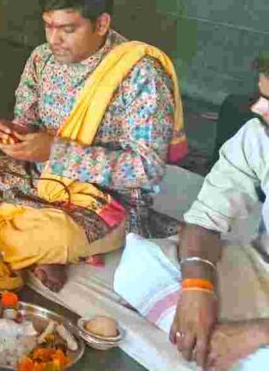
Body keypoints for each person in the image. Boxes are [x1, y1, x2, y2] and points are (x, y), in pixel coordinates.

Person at [0, 0, 186, 291]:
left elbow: (146, 170)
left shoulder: (140, 73)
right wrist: (14, 134)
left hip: (106, 199)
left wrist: (56, 152)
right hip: (37, 177)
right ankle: (36, 248)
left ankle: (39, 245)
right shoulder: (42, 59)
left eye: (68, 29)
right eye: (48, 26)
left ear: (101, 24)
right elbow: (27, 120)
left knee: (52, 234)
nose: (54, 39)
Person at [114, 57, 269, 371]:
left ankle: (231, 348)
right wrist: (197, 288)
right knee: (138, 263)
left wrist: (257, 333)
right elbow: (204, 219)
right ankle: (215, 343)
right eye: (263, 97)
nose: (258, 109)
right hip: (262, 270)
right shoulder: (259, 135)